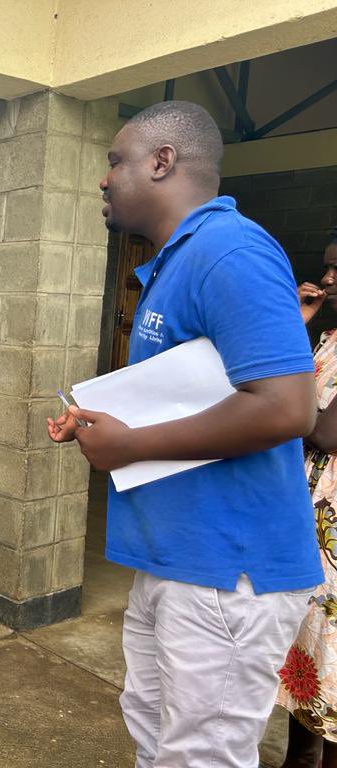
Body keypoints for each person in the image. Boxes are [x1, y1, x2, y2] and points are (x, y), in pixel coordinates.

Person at [47, 101, 323, 768]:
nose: (104, 179)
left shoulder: (231, 251)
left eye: (116, 161)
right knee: (156, 735)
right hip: (179, 559)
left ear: (162, 162)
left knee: (203, 755)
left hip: (229, 569)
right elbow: (197, 394)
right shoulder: (177, 264)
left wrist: (131, 446)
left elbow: (289, 409)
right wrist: (105, 426)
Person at [278, 227, 337, 768]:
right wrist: (298, 329)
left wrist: (284, 409)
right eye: (326, 266)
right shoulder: (330, 340)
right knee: (305, 666)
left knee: (328, 660)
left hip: (334, 528)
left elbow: (323, 432)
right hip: (309, 517)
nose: (326, 278)